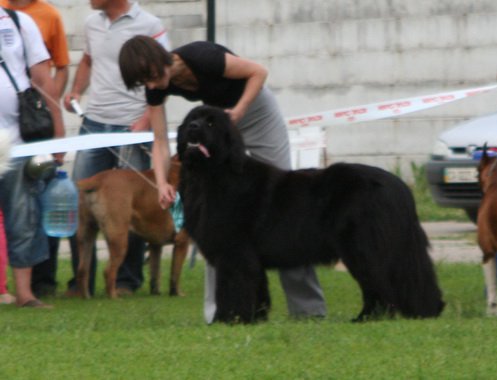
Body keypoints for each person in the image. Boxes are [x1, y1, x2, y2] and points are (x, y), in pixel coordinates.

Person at [118, 36, 327, 323]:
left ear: (161, 60)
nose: (152, 87)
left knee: (286, 210)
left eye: (152, 77)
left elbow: (258, 72)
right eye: (144, 83)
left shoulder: (203, 56)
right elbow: (159, 142)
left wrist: (238, 111)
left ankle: (308, 310)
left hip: (255, 113)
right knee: (215, 223)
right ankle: (219, 313)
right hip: (218, 128)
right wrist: (163, 181)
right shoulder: (155, 88)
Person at [62, 0, 169, 296]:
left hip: (131, 126)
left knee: (131, 209)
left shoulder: (150, 25)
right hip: (94, 123)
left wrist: (147, 118)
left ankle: (126, 281)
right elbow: (88, 60)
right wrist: (75, 90)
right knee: (79, 202)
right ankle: (80, 282)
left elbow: (163, 75)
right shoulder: (91, 23)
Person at [1, 0, 71, 298]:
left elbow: (43, 78)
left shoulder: (19, 23)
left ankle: (26, 294)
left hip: (17, 138)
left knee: (23, 215)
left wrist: (57, 129)